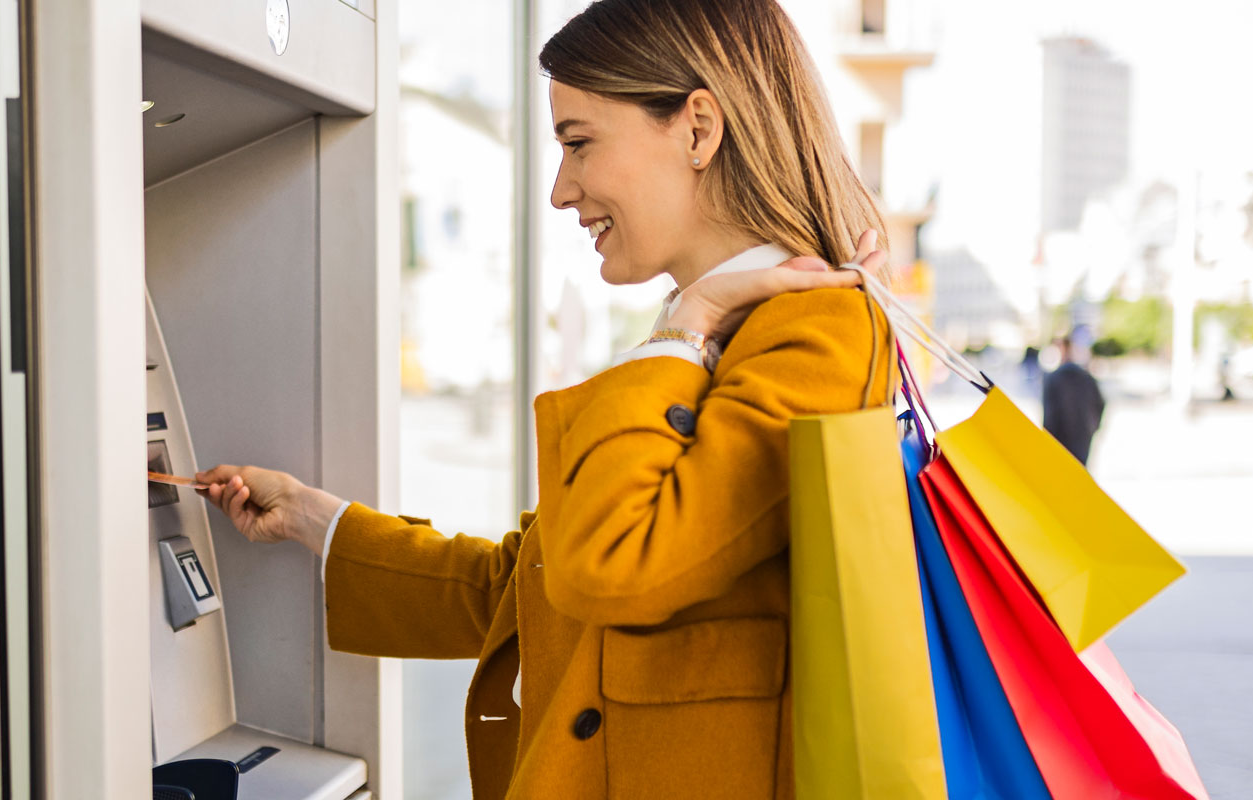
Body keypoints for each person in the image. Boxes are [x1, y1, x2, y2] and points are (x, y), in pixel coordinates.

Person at [196, 0, 895, 796]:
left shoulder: (813, 334)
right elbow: (529, 586)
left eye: (578, 143)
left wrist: (688, 326)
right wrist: (314, 520)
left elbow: (618, 567)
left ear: (700, 129)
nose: (563, 191)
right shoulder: (718, 341)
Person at [1042, 334, 1107, 464]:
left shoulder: (1054, 378)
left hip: (1059, 439)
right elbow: (1100, 403)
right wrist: (1093, 427)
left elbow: (1049, 414)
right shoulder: (1086, 377)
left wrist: (1047, 438)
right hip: (1083, 435)